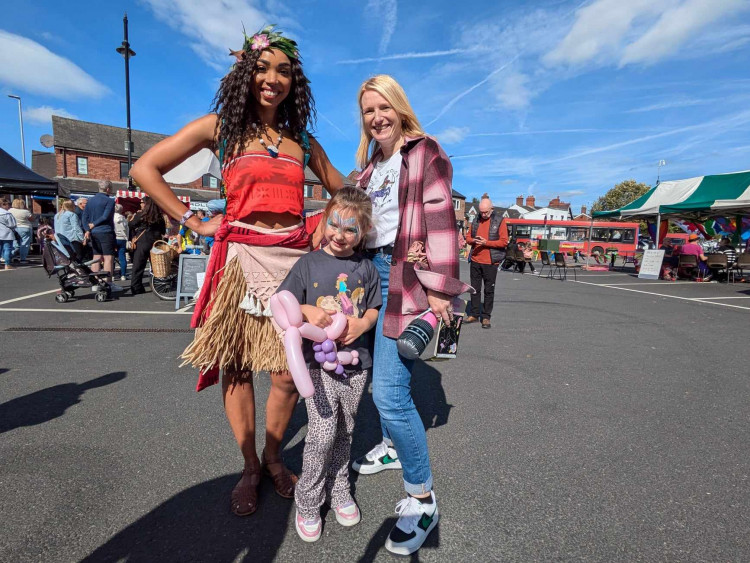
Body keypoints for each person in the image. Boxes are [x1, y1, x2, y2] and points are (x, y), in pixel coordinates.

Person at [130, 25, 344, 517]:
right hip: (240, 259)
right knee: (238, 364)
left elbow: (343, 192)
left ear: (295, 82)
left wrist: (323, 228)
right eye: (263, 68)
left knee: (288, 372)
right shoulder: (221, 128)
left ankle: (274, 459)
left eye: (284, 71)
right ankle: (250, 465)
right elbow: (145, 169)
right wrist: (193, 220)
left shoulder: (301, 142)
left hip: (292, 263)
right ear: (246, 74)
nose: (273, 79)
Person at [352, 74, 460, 556]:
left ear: (399, 107)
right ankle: (395, 447)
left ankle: (423, 498)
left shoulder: (423, 151)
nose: (376, 117)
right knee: (378, 371)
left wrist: (439, 287)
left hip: (407, 273)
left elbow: (440, 215)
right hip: (368, 272)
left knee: (390, 393)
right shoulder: (370, 165)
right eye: (368, 110)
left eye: (383, 107)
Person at [276, 188, 381, 542]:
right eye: (334, 224)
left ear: (363, 231)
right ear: (324, 221)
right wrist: (309, 311)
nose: (339, 234)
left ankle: (339, 490)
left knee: (345, 432)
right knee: (320, 435)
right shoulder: (307, 264)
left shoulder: (366, 268)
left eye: (350, 229)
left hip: (356, 364)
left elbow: (372, 309)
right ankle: (308, 501)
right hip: (318, 365)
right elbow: (285, 301)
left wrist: (363, 325)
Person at [465, 195, 508, 329]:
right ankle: (474, 314)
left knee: (489, 290)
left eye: (486, 212)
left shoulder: (500, 221)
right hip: (475, 260)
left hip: (490, 262)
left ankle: (486, 317)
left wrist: (486, 243)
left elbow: (504, 241)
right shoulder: (476, 219)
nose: (483, 214)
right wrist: (474, 240)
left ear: (492, 209)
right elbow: (467, 238)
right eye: (481, 212)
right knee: (474, 290)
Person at [126, 197, 166, 294]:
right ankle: (159, 286)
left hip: (143, 241)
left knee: (138, 265)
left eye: (142, 202)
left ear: (146, 204)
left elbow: (131, 224)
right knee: (157, 265)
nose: (140, 204)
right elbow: (163, 231)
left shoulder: (141, 214)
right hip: (155, 242)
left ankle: (136, 287)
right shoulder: (159, 216)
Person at [82, 180, 116, 282]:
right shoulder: (109, 201)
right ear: (108, 189)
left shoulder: (90, 200)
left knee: (96, 257)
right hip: (105, 231)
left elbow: (84, 217)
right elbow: (105, 216)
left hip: (94, 233)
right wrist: (94, 224)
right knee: (108, 258)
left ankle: (95, 282)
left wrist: (87, 229)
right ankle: (107, 283)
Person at [10, 199, 34, 264]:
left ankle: (12, 256)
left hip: (14, 228)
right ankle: (23, 259)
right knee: (24, 243)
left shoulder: (10, 210)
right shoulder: (25, 212)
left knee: (15, 243)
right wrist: (28, 210)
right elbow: (32, 219)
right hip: (25, 227)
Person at [113, 204, 130, 280]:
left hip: (113, 238)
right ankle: (123, 274)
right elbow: (127, 230)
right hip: (122, 238)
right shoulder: (123, 219)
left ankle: (111, 275)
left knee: (111, 257)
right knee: (122, 256)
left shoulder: (111, 218)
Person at [0, 198, 17, 270]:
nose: (9, 206)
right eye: (8, 204)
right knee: (7, 248)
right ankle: (7, 264)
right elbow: (12, 224)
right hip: (6, 233)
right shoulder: (7, 213)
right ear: (4, 205)